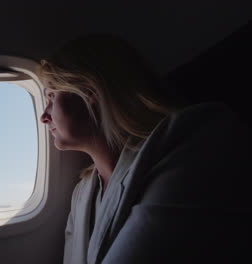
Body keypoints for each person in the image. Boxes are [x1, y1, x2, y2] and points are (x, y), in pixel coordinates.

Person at [37, 34, 252, 264]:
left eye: (51, 96)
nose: (44, 116)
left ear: (89, 91)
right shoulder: (82, 195)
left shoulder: (189, 141)